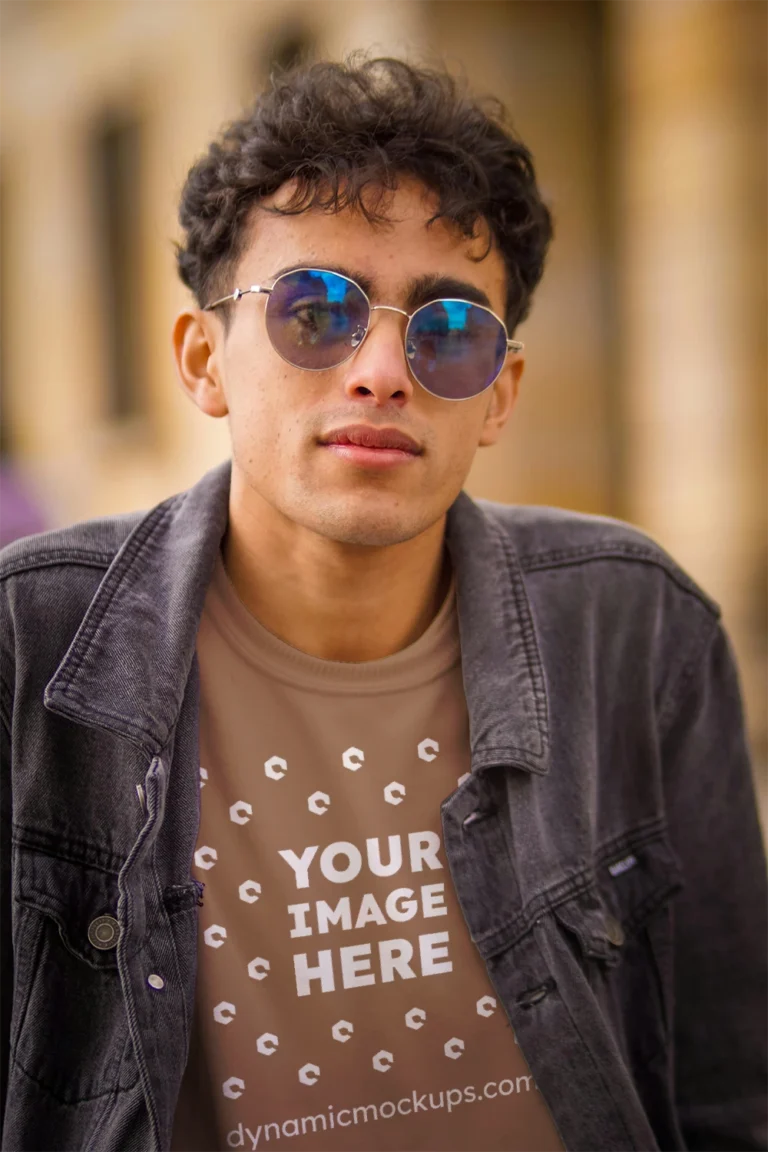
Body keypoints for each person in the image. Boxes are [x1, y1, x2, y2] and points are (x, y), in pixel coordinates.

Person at [0, 56, 765, 1152]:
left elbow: (729, 1094)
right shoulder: (29, 645)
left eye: (451, 329)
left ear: (499, 394)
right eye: (316, 311)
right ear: (204, 360)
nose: (383, 368)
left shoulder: (635, 626)